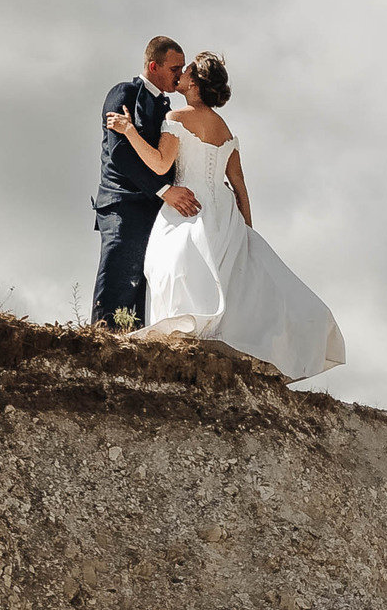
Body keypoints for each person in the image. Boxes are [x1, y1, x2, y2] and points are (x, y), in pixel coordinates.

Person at [101, 51, 345, 382]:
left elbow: (159, 165)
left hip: (188, 208)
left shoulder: (178, 117)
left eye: (186, 71)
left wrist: (129, 130)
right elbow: (241, 186)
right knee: (230, 279)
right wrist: (246, 231)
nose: (181, 75)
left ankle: (180, 345)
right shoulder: (226, 129)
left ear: (195, 83)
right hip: (224, 213)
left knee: (175, 269)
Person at [91, 36, 201, 330]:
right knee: (118, 275)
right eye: (175, 68)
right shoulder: (123, 93)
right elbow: (120, 152)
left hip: (153, 209)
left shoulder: (168, 107)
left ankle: (128, 346)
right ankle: (101, 342)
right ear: (154, 65)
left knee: (139, 282)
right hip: (122, 204)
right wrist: (165, 190)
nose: (180, 74)